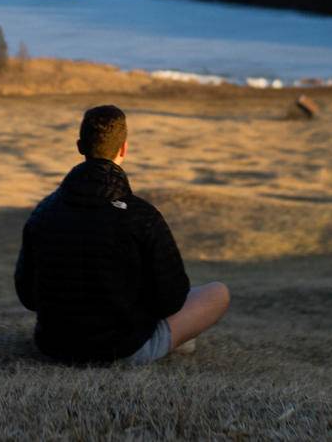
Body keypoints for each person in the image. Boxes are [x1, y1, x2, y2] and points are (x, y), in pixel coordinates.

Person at [14, 104, 230, 364]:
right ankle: (170, 342)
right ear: (124, 148)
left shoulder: (44, 212)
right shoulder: (141, 216)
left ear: (80, 146)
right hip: (124, 348)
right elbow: (172, 299)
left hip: (54, 345)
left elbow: (28, 295)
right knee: (218, 293)